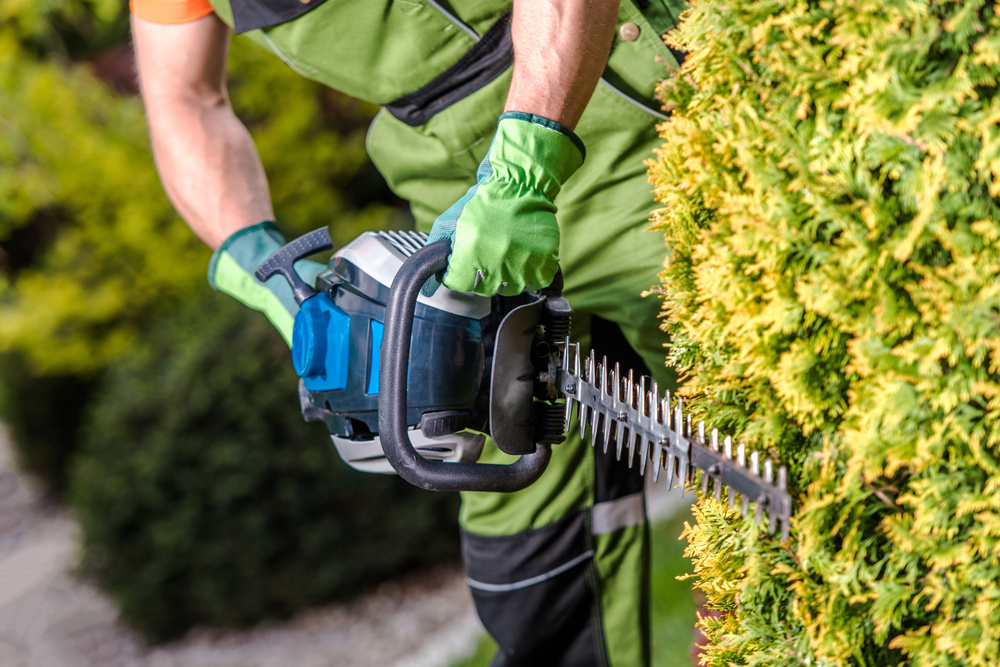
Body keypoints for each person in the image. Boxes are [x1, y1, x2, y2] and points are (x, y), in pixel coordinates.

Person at [130, 0, 685, 664]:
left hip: (616, 104)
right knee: (529, 576)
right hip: (446, 179)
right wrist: (263, 268)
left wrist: (524, 167)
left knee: (776, 422)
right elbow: (184, 100)